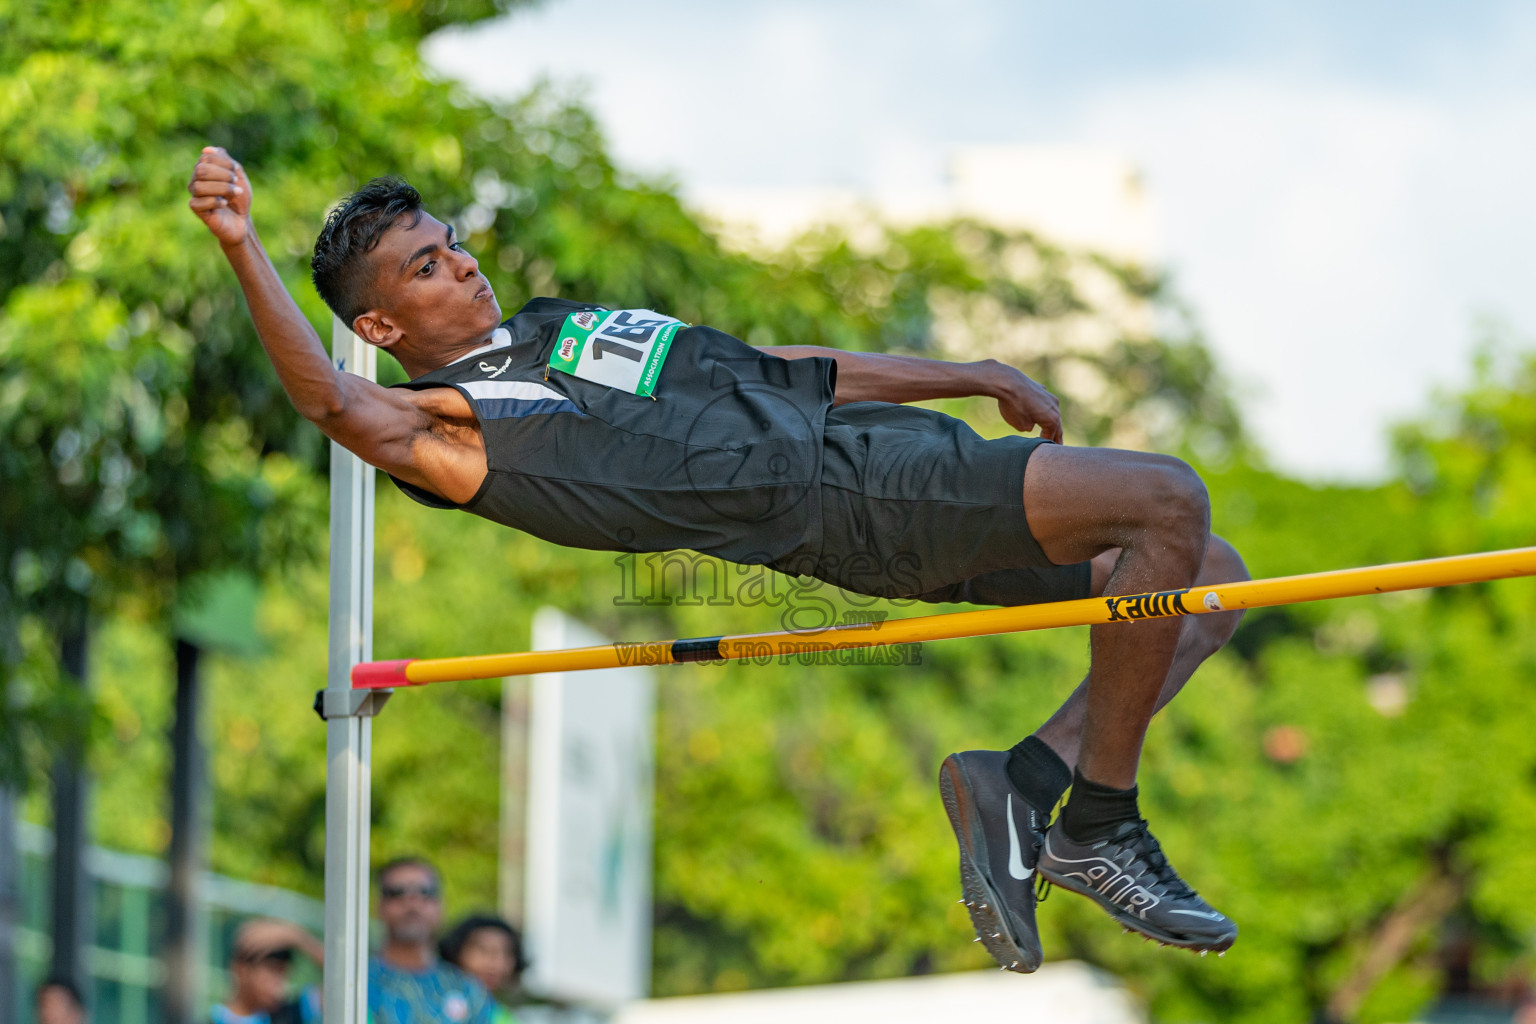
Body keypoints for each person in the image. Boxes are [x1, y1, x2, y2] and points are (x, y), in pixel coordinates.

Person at [188, 146, 1250, 973]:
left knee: (1213, 572)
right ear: (379, 321)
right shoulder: (452, 424)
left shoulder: (557, 324)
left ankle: (1023, 783)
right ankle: (1099, 821)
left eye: (452, 241)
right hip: (856, 506)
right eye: (426, 265)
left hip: (891, 454)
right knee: (1165, 498)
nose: (461, 261)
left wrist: (962, 372)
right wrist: (242, 244)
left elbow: (766, 369)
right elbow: (333, 401)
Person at [369, 857, 494, 1023]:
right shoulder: (354, 984)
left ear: (441, 905)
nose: (412, 903)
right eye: (397, 893)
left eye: (425, 892)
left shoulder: (467, 990)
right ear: (379, 905)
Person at [211, 918, 324, 1024]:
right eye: (272, 971)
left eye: (283, 974)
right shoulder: (209, 1020)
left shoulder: (287, 1015)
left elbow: (338, 984)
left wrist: (295, 936)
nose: (279, 984)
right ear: (241, 969)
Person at [439, 915, 527, 1023]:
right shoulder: (436, 1004)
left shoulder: (503, 1016)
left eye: (506, 953)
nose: (497, 964)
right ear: (456, 952)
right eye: (484, 951)